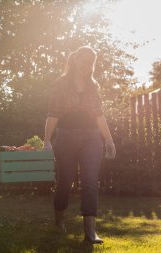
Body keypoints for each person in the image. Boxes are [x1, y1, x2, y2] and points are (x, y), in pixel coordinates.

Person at [43, 46, 116, 244]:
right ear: (75, 60)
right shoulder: (60, 84)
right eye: (85, 61)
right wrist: (47, 140)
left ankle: (90, 231)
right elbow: (53, 113)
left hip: (92, 137)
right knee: (65, 182)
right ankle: (59, 221)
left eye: (91, 62)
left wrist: (108, 140)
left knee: (90, 181)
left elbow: (99, 114)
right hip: (66, 137)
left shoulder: (93, 86)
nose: (88, 66)